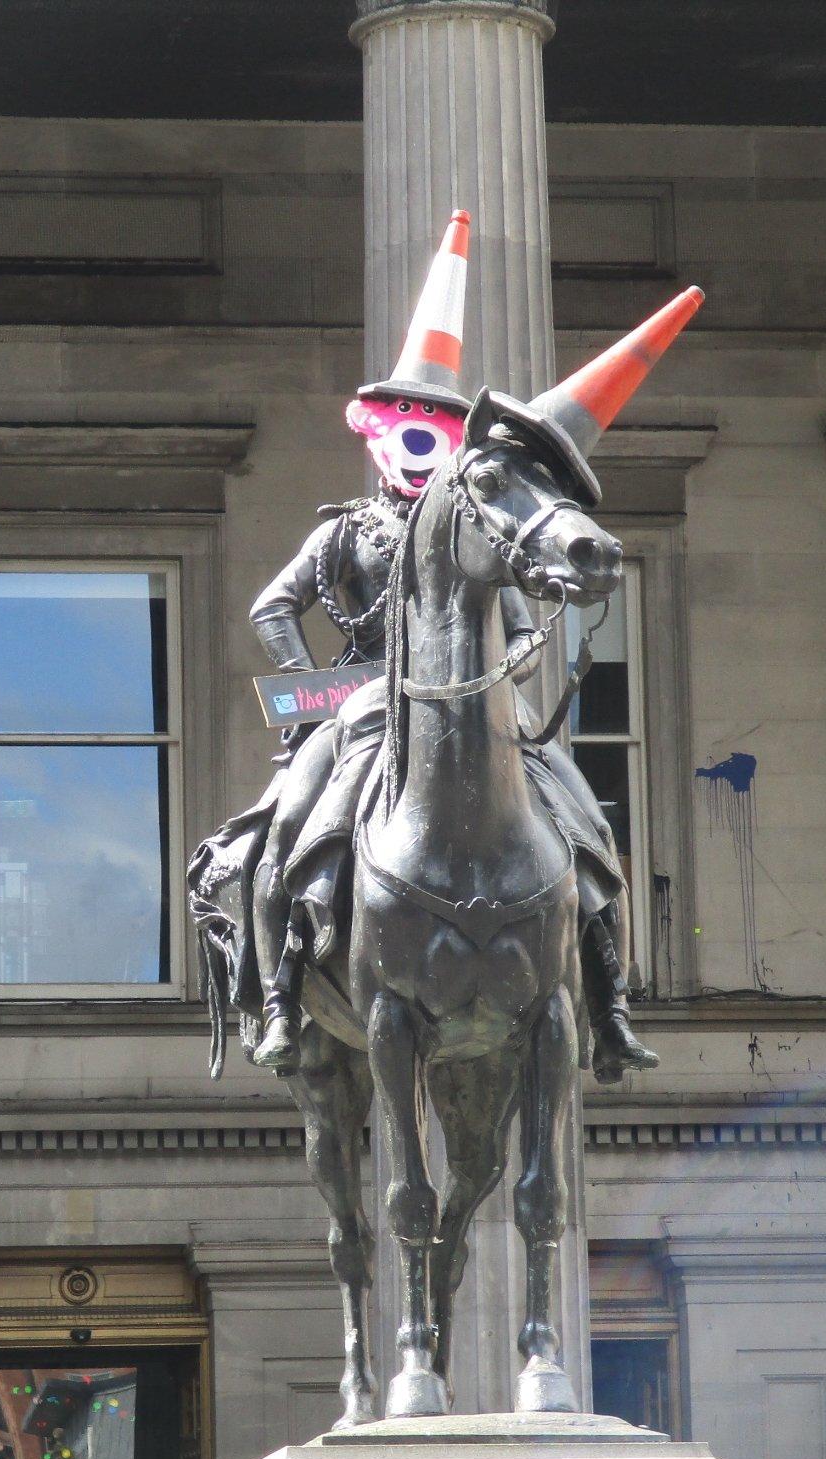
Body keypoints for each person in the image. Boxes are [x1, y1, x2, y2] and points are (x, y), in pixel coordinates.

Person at [203, 210, 657, 1083]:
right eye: (406, 416)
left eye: (436, 421)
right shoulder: (349, 531)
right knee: (289, 829)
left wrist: (511, 666)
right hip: (367, 710)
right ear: (374, 427)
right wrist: (312, 695)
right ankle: (279, 995)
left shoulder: (483, 513)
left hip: (481, 706)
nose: (420, 432)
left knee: (588, 829)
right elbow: (274, 607)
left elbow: (523, 623)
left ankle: (611, 1005)